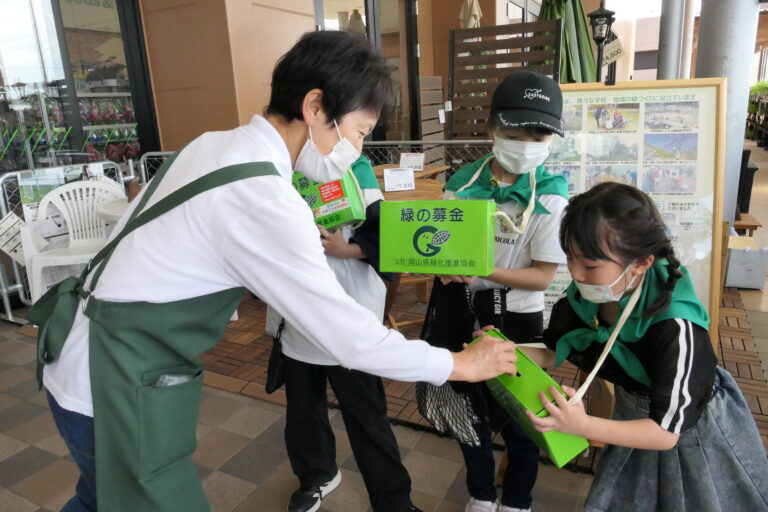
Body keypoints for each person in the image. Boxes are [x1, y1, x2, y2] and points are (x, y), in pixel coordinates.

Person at [33, 31, 519, 512]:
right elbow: (348, 339)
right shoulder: (263, 196)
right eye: (359, 131)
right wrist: (460, 363)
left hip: (79, 353)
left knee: (98, 499)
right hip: (110, 383)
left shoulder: (213, 145)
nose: (355, 147)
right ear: (315, 107)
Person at [519, 182, 768, 512]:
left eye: (590, 265)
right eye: (570, 258)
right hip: (630, 423)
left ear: (640, 264)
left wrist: (583, 427)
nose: (575, 274)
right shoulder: (588, 296)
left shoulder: (675, 328)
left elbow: (666, 433)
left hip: (691, 432)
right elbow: (553, 352)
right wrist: (508, 352)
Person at [416, 70, 569, 512]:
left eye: (539, 134)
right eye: (515, 131)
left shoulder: (551, 196)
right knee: (471, 413)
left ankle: (517, 500)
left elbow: (541, 277)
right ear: (492, 128)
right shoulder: (462, 184)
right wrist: (444, 270)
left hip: (519, 318)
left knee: (522, 419)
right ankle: (481, 495)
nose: (526, 142)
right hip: (462, 312)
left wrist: (485, 269)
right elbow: (440, 250)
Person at [266, 153, 418, 512]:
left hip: (350, 316)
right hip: (297, 313)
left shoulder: (356, 167)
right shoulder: (278, 164)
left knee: (367, 414)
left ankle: (393, 501)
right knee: (303, 409)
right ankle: (316, 474)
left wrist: (347, 248)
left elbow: (385, 235)